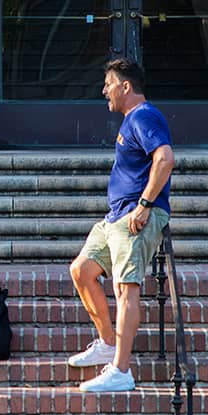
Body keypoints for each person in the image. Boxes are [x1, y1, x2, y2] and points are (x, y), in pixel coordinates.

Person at [68, 58, 175, 393]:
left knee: (125, 288)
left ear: (126, 86)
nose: (105, 91)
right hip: (115, 216)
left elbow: (165, 158)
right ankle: (107, 342)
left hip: (134, 216)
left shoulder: (143, 116)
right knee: (82, 270)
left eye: (109, 84)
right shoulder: (132, 120)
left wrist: (144, 205)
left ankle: (121, 370)